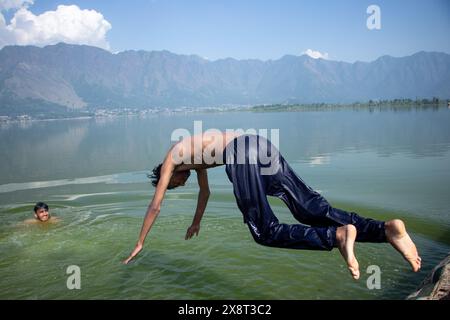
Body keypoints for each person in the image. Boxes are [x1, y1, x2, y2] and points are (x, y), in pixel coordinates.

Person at [124, 132, 421, 279]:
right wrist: (197, 221)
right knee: (310, 209)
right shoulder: (191, 151)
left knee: (264, 231)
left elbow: (155, 206)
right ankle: (387, 230)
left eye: (175, 183)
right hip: (259, 143)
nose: (180, 184)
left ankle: (338, 236)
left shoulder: (170, 160)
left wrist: (139, 242)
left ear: (166, 174)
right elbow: (205, 193)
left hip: (241, 153)